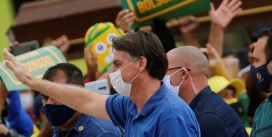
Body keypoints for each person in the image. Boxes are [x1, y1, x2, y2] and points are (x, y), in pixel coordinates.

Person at [2, 31, 200, 137]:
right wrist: (33, 82)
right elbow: (86, 100)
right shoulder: (130, 106)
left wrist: (34, 83)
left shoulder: (171, 115)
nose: (111, 73)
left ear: (141, 63)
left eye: (116, 64)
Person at [165, 46, 248, 137]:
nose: (161, 78)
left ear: (183, 73)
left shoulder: (208, 117)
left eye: (165, 71)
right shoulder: (205, 108)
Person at [41, 63, 123, 136]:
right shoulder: (59, 128)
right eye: (45, 97)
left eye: (56, 96)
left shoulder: (102, 133)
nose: (49, 103)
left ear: (78, 94)